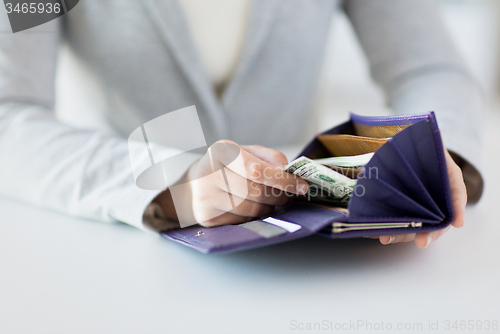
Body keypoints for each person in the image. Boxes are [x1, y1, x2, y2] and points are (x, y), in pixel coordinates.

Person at [0, 0, 483, 248]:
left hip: (309, 251)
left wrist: (432, 154)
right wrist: (174, 185)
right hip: (114, 238)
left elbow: (427, 68)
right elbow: (10, 111)